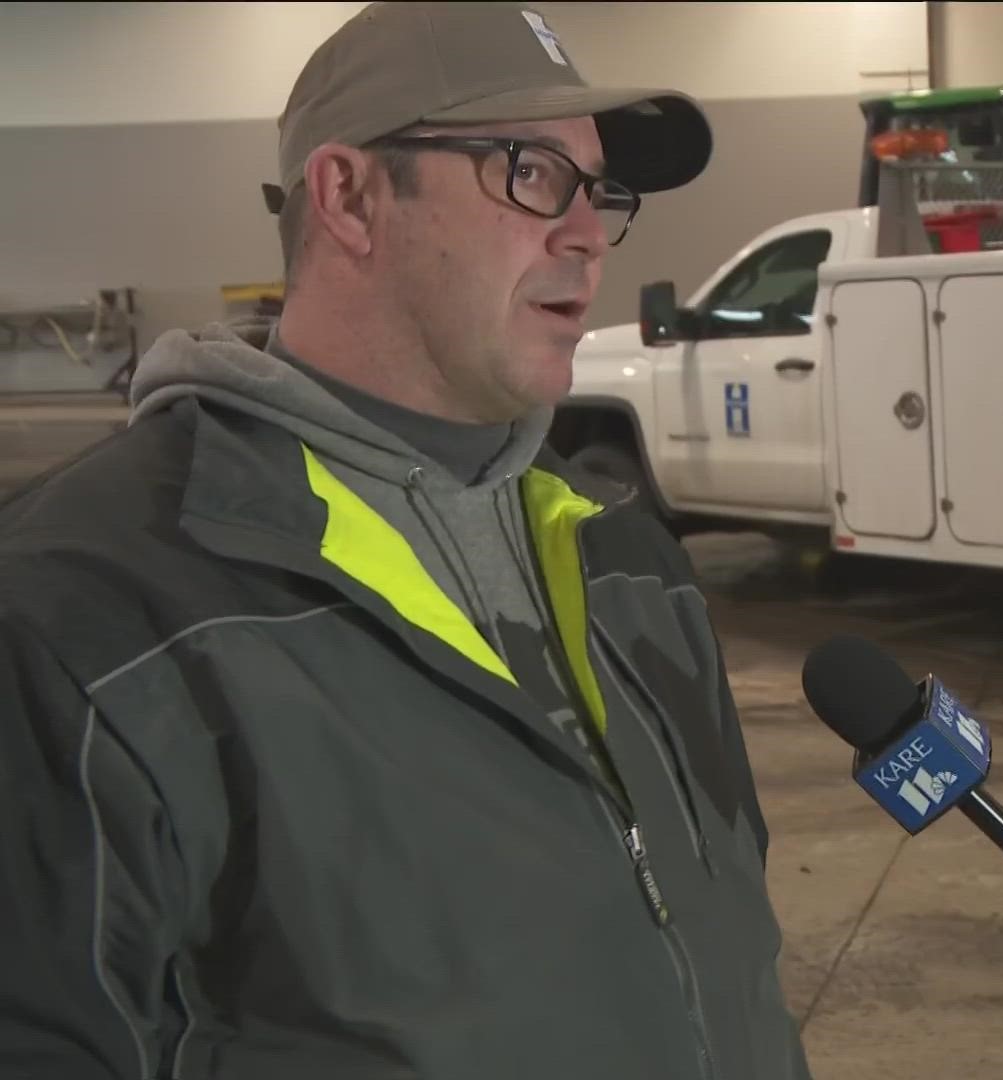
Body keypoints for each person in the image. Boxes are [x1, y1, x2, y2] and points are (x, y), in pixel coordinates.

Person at [0, 5, 812, 1078]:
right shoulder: (91, 609)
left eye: (601, 192)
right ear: (349, 197)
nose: (584, 236)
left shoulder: (626, 556)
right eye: (531, 174)